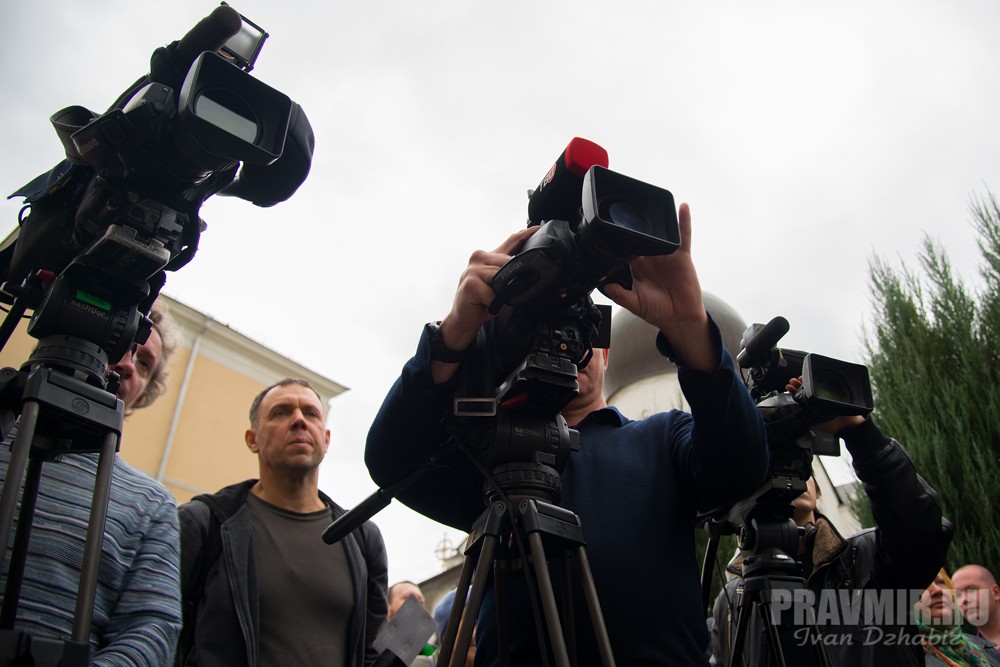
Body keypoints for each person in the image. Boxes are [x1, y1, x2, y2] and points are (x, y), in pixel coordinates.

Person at [365, 203, 770, 666]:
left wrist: (689, 327)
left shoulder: (663, 438)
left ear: (606, 356)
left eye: (585, 331)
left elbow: (742, 465)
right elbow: (391, 459)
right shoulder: (492, 454)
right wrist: (455, 333)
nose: (568, 343)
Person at [711, 377, 954, 667]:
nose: (791, 475)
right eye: (772, 466)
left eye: (801, 467)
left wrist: (859, 433)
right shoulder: (731, 601)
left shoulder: (865, 559)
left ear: (817, 491)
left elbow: (921, 530)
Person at [0, 301, 183, 665]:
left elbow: (152, 629)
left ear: (144, 392)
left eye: (144, 363)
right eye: (121, 346)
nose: (127, 364)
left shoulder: (151, 503)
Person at [177, 378, 388, 667]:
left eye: (311, 413)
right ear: (252, 440)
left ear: (326, 439)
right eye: (281, 412)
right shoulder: (203, 523)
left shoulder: (363, 537)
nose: (299, 420)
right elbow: (162, 630)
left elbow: (371, 652)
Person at [916, 569, 1000, 666]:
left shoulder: (984, 647)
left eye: (941, 582)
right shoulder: (908, 658)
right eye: (922, 586)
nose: (938, 590)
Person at [954, 564, 1000, 650]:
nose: (964, 600)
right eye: (957, 595)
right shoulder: (970, 654)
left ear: (995, 592)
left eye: (972, 590)